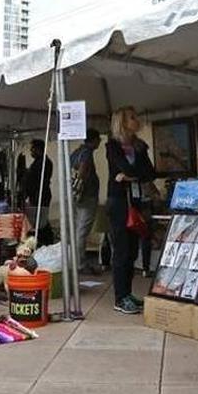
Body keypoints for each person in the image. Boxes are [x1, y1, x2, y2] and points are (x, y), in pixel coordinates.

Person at [105, 106, 156, 314]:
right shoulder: (112, 146)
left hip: (136, 201)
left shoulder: (140, 146)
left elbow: (150, 173)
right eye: (132, 118)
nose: (137, 121)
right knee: (122, 250)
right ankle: (120, 297)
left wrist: (130, 176)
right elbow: (124, 168)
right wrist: (132, 174)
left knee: (133, 250)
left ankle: (128, 293)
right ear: (123, 122)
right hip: (118, 202)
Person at [70, 128, 102, 273]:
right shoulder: (86, 153)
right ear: (93, 140)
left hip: (77, 196)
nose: (99, 142)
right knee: (82, 230)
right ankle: (80, 263)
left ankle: (76, 260)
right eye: (98, 139)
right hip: (87, 195)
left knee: (78, 228)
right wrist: (81, 182)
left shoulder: (76, 152)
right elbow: (83, 169)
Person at [23, 139, 54, 244]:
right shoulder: (39, 162)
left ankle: (45, 240)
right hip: (36, 195)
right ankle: (43, 239)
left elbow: (36, 180)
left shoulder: (43, 163)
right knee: (38, 219)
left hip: (41, 194)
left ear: (38, 149)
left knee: (40, 220)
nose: (31, 152)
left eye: (32, 149)